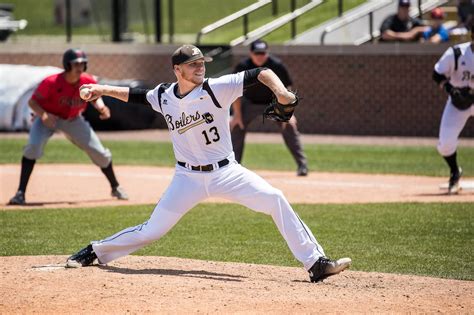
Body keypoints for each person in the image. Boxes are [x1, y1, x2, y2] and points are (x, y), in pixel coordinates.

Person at [66, 45, 351, 283]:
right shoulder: (164, 96)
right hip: (186, 179)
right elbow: (136, 95)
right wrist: (101, 89)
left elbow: (261, 73)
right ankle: (96, 250)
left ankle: (315, 263)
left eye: (202, 62)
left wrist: (282, 94)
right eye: (193, 64)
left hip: (227, 172)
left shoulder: (217, 88)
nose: (200, 67)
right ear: (178, 70)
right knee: (152, 230)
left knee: (274, 198)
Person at [8, 48, 128, 205]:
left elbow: (95, 97)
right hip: (47, 118)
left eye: (82, 64)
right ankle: (20, 193)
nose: (80, 67)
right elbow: (32, 102)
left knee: (99, 153)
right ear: (67, 65)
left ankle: (115, 187)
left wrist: (101, 107)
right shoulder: (51, 82)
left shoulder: (87, 80)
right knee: (33, 147)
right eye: (76, 64)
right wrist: (43, 115)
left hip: (73, 120)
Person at [231, 39, 308, 176]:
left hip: (274, 102)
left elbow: (286, 90)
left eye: (262, 53)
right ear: (250, 54)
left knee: (289, 126)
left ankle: (302, 165)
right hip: (249, 102)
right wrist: (237, 115)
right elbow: (235, 93)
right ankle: (234, 167)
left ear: (267, 53)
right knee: (237, 126)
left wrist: (288, 113)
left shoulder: (276, 65)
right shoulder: (243, 66)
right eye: (256, 53)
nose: (260, 56)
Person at [432, 24, 473, 194]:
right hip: (459, 103)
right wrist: (450, 89)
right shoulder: (456, 53)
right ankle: (455, 171)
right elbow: (437, 74)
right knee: (445, 145)